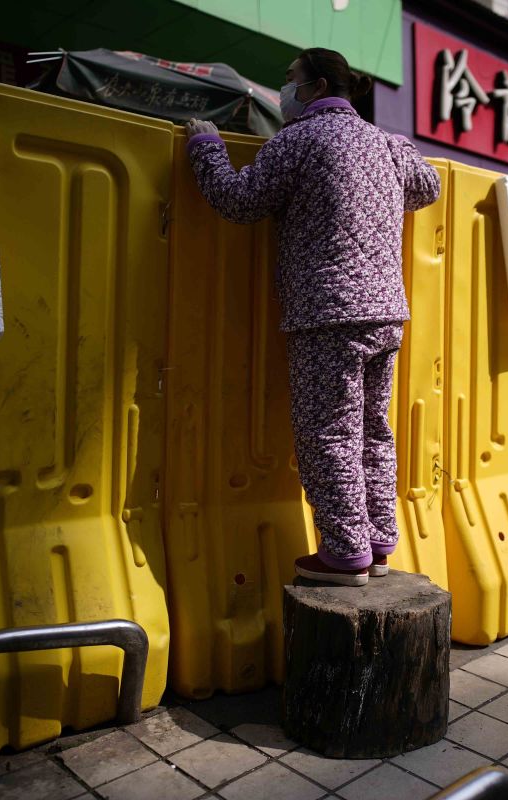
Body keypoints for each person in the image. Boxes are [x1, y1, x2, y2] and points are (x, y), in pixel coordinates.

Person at [183, 48, 441, 586]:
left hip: (327, 314)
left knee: (329, 432)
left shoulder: (298, 140)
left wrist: (206, 146)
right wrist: (402, 147)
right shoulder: (386, 145)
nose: (284, 90)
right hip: (386, 313)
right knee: (373, 430)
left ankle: (345, 554)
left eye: (290, 80)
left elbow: (239, 201)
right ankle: (377, 541)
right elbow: (428, 188)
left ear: (317, 85)